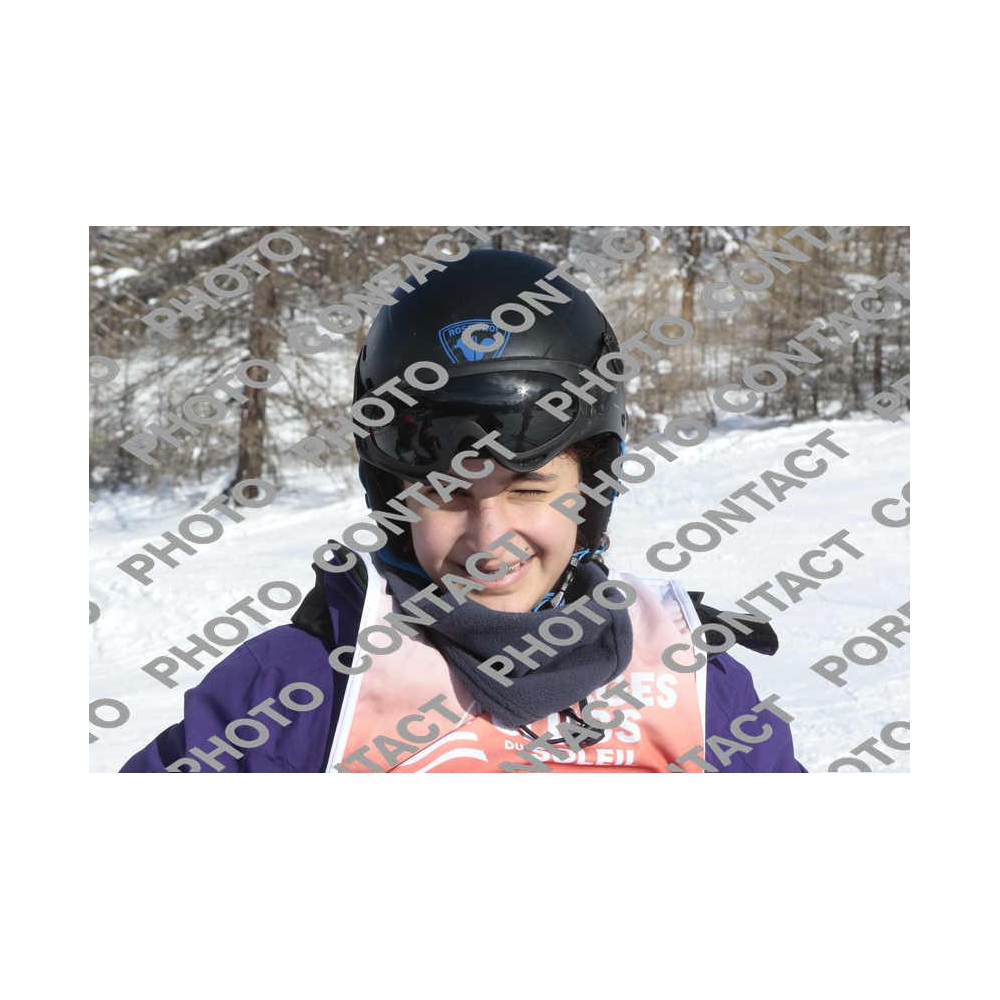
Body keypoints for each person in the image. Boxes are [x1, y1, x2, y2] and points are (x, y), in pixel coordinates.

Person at [122, 249, 805, 773]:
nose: (490, 538)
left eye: (529, 489)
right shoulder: (296, 690)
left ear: (590, 494)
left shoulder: (693, 682)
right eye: (446, 493)